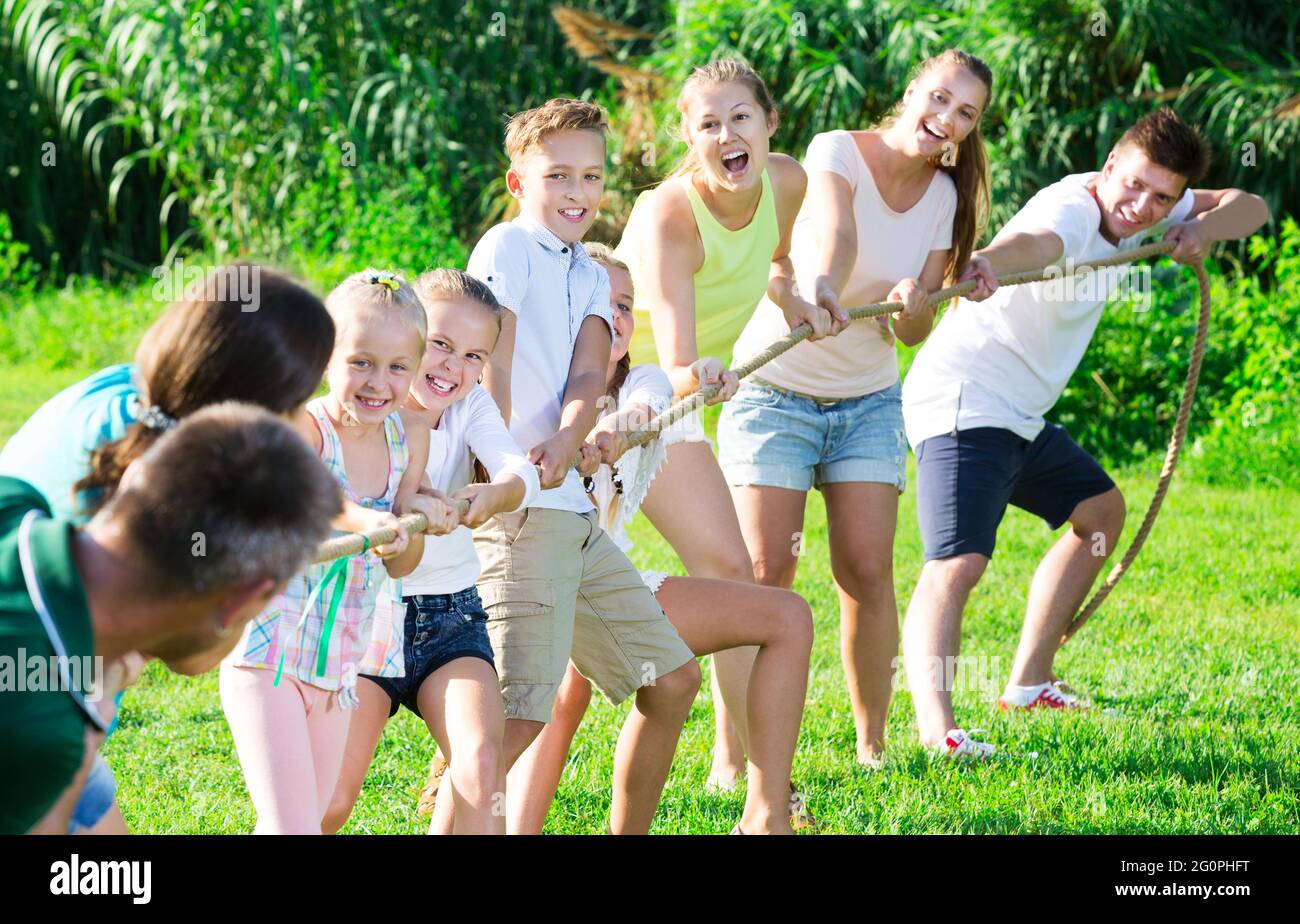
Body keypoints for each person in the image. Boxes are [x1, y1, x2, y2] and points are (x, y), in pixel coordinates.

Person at [900, 107, 1270, 755]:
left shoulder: (1162, 210)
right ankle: (939, 733)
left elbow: (1253, 206)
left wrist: (1203, 226)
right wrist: (988, 261)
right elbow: (1039, 244)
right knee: (956, 564)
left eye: (1162, 197)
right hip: (964, 398)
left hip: (1018, 414)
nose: (1141, 206)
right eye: (1133, 185)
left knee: (1100, 513)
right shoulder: (1073, 209)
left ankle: (1028, 683)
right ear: (1108, 168)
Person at [720, 50, 994, 768]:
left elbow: (912, 331)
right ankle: (734, 755)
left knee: (867, 570)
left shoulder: (944, 197)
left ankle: (871, 747)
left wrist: (914, 299)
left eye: (965, 113)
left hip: (867, 400)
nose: (947, 119)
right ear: (912, 92)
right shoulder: (836, 149)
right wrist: (821, 289)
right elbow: (835, 232)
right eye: (939, 99)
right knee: (763, 573)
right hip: (776, 388)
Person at [0, 263, 335, 833]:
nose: (304, 423)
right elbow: (193, 649)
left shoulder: (131, 423)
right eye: (298, 402)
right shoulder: (45, 728)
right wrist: (83, 729)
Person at [505, 244, 813, 834]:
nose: (615, 317)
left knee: (777, 622)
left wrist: (614, 429)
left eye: (624, 304)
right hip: (528, 578)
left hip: (602, 583)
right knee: (563, 689)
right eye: (600, 305)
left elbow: (649, 403)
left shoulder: (636, 379)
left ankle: (767, 814)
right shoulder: (529, 390)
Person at [467, 97, 702, 834]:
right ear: (518, 182)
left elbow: (587, 373)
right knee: (515, 720)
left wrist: (571, 439)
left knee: (669, 679)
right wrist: (506, 464)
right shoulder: (507, 250)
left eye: (591, 178)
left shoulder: (591, 275)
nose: (577, 193)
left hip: (568, 510)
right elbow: (491, 359)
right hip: (523, 509)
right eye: (558, 175)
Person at [613, 58, 819, 788]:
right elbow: (670, 354)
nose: (727, 135)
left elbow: (779, 260)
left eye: (740, 118)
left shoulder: (788, 181)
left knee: (734, 576)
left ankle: (762, 790)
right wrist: (699, 373)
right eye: (708, 125)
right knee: (558, 610)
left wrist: (793, 298)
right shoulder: (670, 211)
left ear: (769, 124)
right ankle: (466, 767)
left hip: (678, 405)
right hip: (621, 397)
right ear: (688, 139)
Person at [220, 270, 449, 833]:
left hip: (340, 665)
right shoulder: (305, 427)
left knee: (314, 821)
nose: (379, 382)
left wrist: (411, 526)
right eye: (361, 362)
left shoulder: (407, 439)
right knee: (289, 827)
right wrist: (365, 519)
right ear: (324, 359)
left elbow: (403, 564)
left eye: (398, 367)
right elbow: (310, 501)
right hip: (269, 653)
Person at [324, 269, 540, 835]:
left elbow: (520, 471)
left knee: (480, 766)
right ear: (411, 336)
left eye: (473, 356)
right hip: (366, 619)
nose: (452, 366)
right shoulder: (371, 411)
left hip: (451, 617)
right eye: (440, 345)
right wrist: (416, 503)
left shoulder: (469, 409)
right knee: (331, 798)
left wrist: (490, 494)